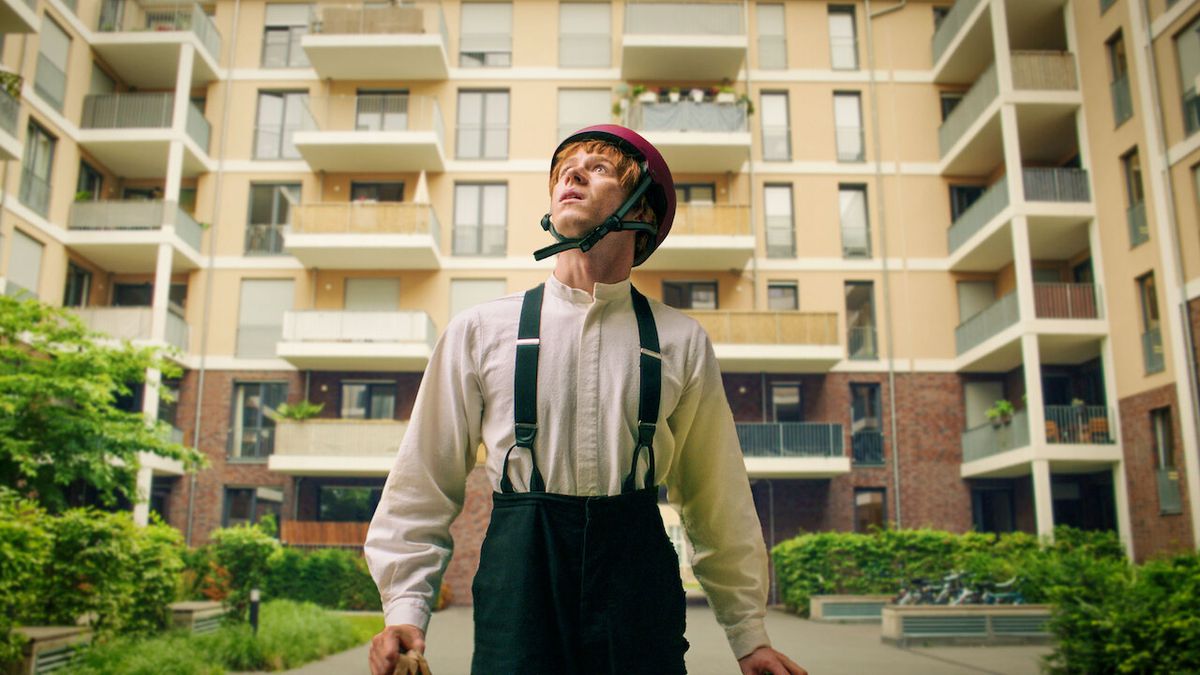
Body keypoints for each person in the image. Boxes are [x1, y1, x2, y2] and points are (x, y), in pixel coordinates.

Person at [365, 125, 805, 675]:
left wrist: (749, 637)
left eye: (598, 168)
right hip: (520, 579)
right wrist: (405, 609)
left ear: (643, 213)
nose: (572, 174)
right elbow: (422, 480)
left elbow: (719, 500)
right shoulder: (479, 331)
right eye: (564, 169)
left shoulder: (681, 341)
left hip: (637, 585)